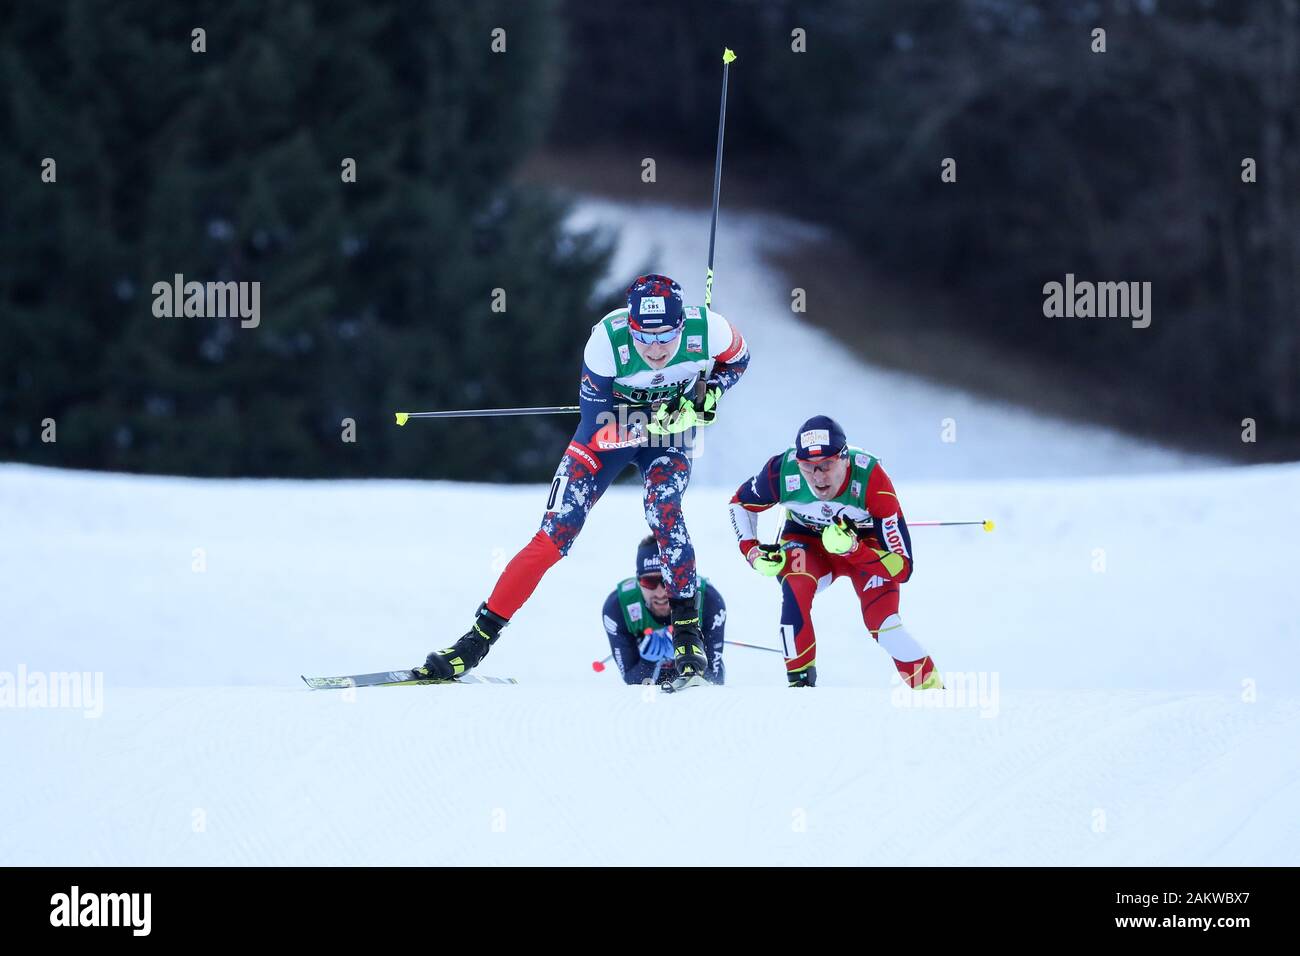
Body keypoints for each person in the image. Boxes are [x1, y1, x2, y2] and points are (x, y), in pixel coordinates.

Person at [416, 274, 749, 681]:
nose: (656, 349)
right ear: (631, 327)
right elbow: (597, 428)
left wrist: (711, 389)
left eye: (667, 337)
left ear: (683, 326)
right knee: (553, 535)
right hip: (613, 430)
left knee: (664, 511)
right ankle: (475, 642)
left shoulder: (710, 329)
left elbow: (739, 360)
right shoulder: (607, 342)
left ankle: (686, 631)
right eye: (644, 338)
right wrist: (652, 422)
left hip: (673, 434)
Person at [727, 415, 942, 689]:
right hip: (808, 542)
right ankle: (800, 688)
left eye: (826, 465)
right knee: (795, 585)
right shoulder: (781, 471)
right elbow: (739, 504)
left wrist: (853, 549)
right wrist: (753, 552)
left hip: (866, 545)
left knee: (884, 625)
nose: (817, 477)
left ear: (845, 459)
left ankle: (934, 694)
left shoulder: (872, 479)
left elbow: (903, 568)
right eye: (808, 466)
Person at [602, 535, 726, 685]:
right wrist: (648, 661)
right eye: (649, 582)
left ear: (680, 579)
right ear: (638, 580)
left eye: (667, 581)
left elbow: (715, 678)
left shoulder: (707, 599)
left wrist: (687, 654)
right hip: (652, 680)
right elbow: (631, 680)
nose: (660, 593)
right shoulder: (618, 607)